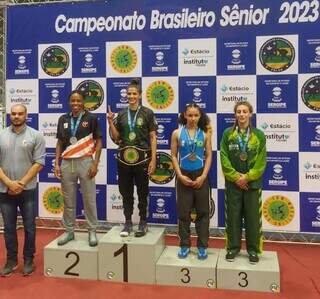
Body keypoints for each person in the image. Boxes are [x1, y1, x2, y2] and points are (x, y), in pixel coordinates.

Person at [108, 78, 157, 237]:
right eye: (129, 94)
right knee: (125, 192)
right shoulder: (121, 114)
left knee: (143, 192)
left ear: (140, 95)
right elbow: (116, 138)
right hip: (123, 161)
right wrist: (110, 122)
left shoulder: (148, 113)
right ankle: (128, 222)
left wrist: (154, 159)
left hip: (142, 159)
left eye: (134, 93)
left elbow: (153, 137)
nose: (131, 96)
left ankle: (143, 222)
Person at [0, 104, 45, 276]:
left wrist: (20, 184)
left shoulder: (36, 135)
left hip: (28, 191)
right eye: (13, 113)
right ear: (10, 116)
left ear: (26, 115)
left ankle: (28, 259)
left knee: (29, 227)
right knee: (9, 228)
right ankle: (11, 260)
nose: (16, 116)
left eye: (20, 113)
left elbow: (39, 162)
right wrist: (9, 183)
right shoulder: (1, 135)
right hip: (4, 190)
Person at [220, 101, 266, 264]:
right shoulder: (227, 134)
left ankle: (253, 250)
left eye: (244, 111)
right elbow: (224, 157)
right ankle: (233, 248)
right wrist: (235, 177)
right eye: (238, 111)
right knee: (233, 217)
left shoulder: (259, 135)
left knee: (253, 218)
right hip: (233, 185)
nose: (241, 114)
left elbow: (261, 161)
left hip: (253, 185)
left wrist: (247, 177)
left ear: (250, 114)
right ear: (235, 115)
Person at [54, 90, 102, 246]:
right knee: (68, 200)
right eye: (73, 101)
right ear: (69, 102)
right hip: (67, 163)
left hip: (85, 162)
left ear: (83, 102)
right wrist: (56, 163)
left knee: (89, 199)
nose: (75, 104)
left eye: (78, 101)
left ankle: (92, 231)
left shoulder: (91, 118)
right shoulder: (63, 119)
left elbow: (99, 142)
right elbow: (60, 143)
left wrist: (95, 163)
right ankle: (69, 231)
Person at [171, 103, 212, 260]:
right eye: (190, 115)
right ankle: (184, 245)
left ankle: (202, 246)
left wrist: (203, 176)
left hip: (201, 174)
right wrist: (180, 175)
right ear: (185, 115)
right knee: (183, 213)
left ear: (200, 116)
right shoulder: (177, 133)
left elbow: (208, 156)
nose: (193, 118)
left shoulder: (205, 134)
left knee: (203, 212)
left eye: (196, 115)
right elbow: (173, 155)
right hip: (183, 174)